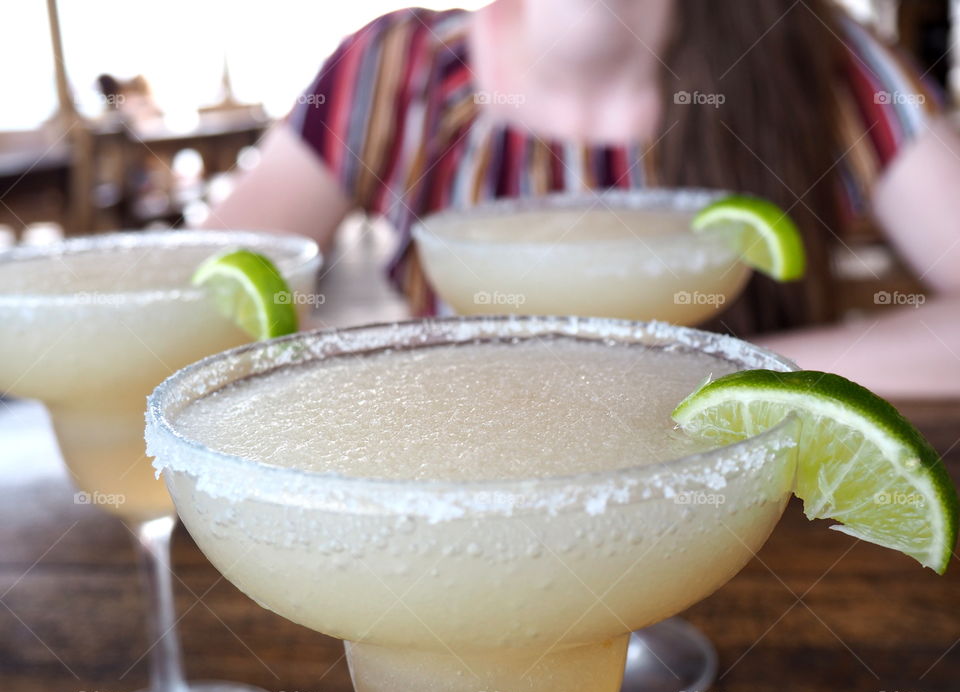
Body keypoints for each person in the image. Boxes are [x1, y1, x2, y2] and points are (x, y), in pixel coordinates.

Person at [204, 0, 960, 397]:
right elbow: (200, 299)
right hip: (477, 555)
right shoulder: (393, 69)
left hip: (750, 548)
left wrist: (722, 370)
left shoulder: (815, 57)